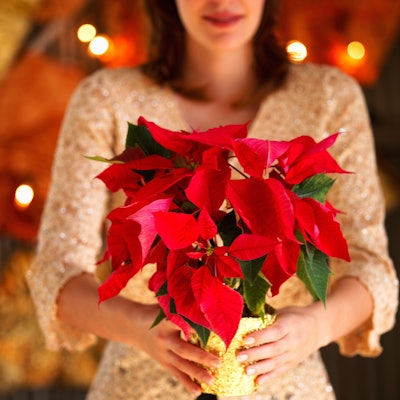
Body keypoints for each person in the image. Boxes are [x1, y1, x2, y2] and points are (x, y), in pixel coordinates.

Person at [27, 1, 398, 399]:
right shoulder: (106, 99)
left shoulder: (328, 96)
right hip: (136, 383)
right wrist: (139, 326)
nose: (222, 2)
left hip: (285, 386)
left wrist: (313, 327)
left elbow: (371, 267)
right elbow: (57, 270)